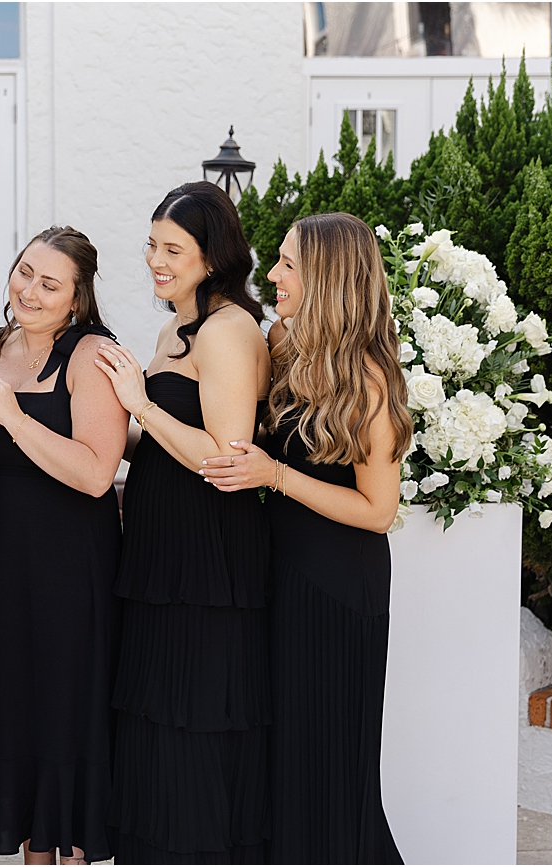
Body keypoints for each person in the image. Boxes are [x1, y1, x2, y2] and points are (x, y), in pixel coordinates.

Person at [198, 213, 410, 864]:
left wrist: (277, 476)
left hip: (338, 591)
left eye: (288, 264)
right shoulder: (284, 343)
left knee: (332, 765)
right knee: (285, 761)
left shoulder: (370, 379)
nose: (272, 275)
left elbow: (379, 510)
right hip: (282, 577)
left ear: (328, 278)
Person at [96, 181, 273, 863]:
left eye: (173, 249)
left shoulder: (228, 331)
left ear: (213, 254)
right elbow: (163, 441)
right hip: (160, 551)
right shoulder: (179, 326)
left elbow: (224, 456)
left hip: (207, 560)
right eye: (151, 245)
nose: (155, 260)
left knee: (195, 717)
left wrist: (138, 403)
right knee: (158, 716)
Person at [0, 227, 126, 865]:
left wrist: (12, 415)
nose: (29, 290)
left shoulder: (92, 355)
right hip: (0, 565)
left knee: (63, 715)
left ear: (77, 298)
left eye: (49, 283)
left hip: (70, 570)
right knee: (16, 712)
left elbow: (96, 473)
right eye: (24, 272)